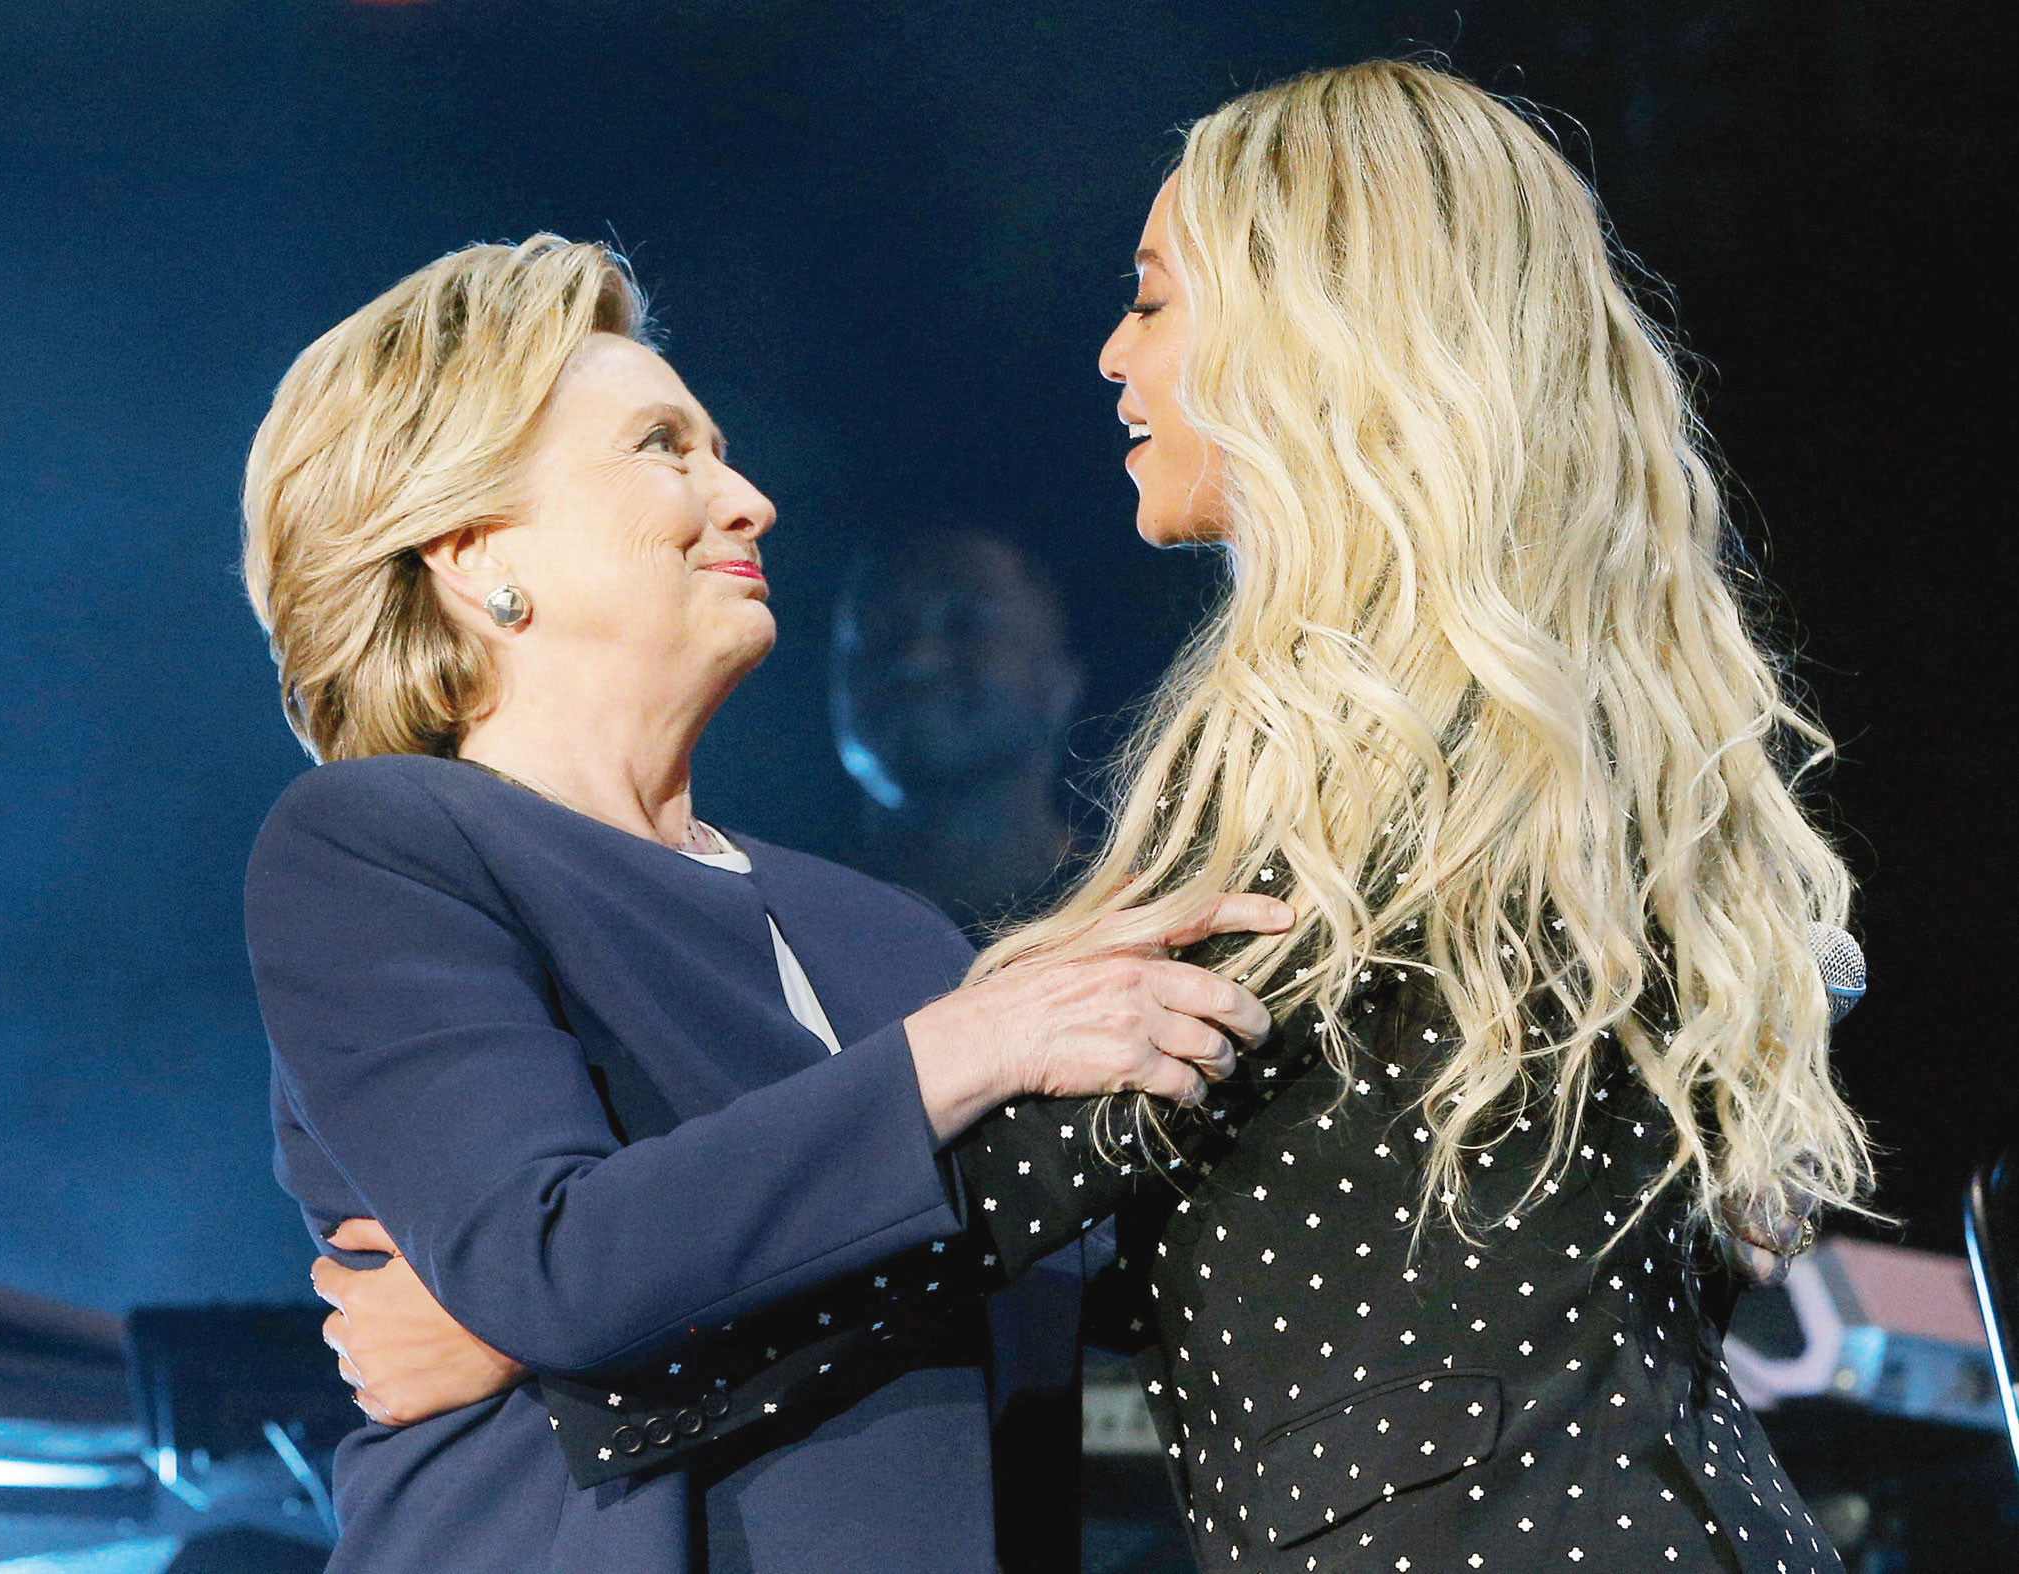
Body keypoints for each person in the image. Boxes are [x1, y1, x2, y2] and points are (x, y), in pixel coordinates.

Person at [318, 61, 1872, 1573]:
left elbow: (1041, 1163)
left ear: (1308, 331)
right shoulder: (1535, 715)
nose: (1113, 355)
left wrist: (551, 1337)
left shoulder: (1379, 764)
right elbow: (1237, 1209)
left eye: (1151, 301)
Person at [238, 234, 1286, 1573]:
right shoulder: (382, 844)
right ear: (467, 540)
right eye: (663, 448)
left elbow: (1013, 1274)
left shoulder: (888, 932)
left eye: (719, 451)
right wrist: (977, 1042)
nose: (746, 499)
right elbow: (552, 1261)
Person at [828, 526, 1085, 929]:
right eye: (880, 632)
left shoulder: (1143, 917)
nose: (916, 659)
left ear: (1059, 684)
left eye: (966, 626)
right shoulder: (778, 922)